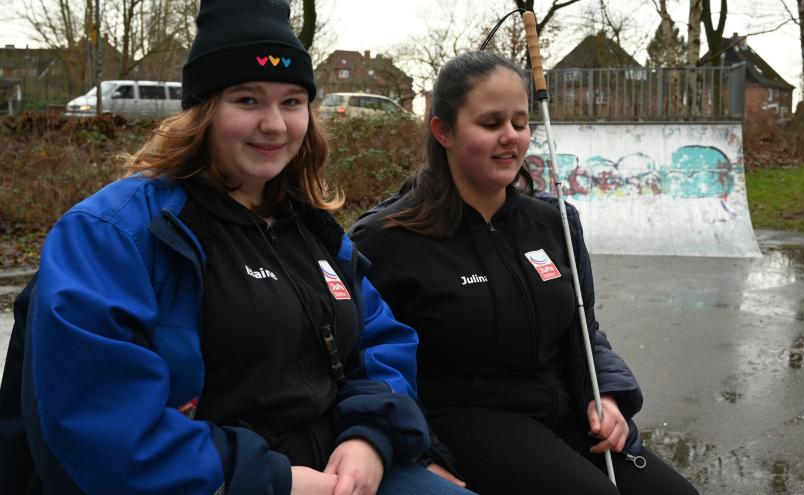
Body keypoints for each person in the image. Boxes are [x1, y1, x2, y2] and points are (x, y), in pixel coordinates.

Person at [12, 2, 477, 494]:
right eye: (248, 100)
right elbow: (97, 423)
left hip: (337, 470)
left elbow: (382, 341)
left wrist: (371, 434)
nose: (275, 125)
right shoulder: (112, 234)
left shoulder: (314, 232)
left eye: (292, 101)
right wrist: (273, 481)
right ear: (203, 112)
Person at [349, 51, 701, 495]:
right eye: (491, 123)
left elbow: (583, 330)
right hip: (465, 418)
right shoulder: (387, 238)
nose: (510, 138)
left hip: (562, 410)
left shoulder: (554, 222)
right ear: (443, 131)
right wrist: (417, 451)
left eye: (519, 122)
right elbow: (361, 363)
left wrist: (605, 392)